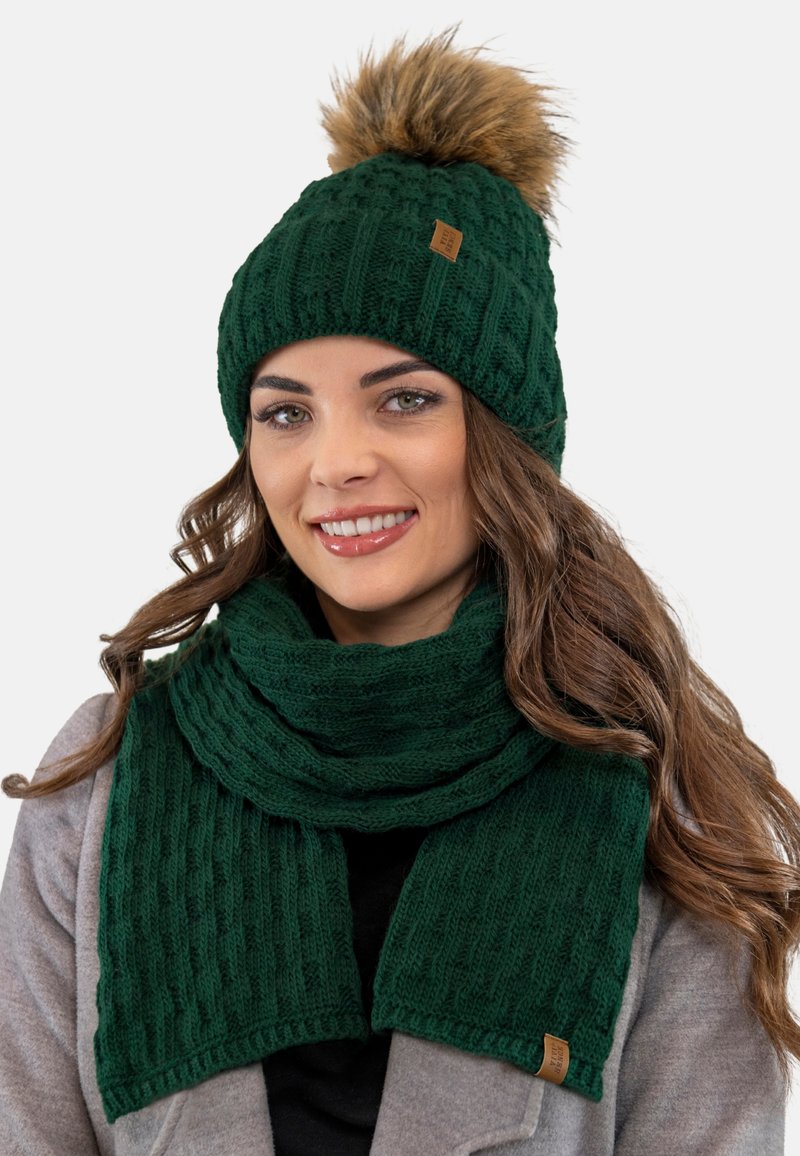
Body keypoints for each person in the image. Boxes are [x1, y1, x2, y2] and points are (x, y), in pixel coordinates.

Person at [1, 30, 798, 1156]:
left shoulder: (649, 790)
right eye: (287, 412)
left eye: (403, 400)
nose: (334, 463)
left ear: (505, 435)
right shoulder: (107, 778)